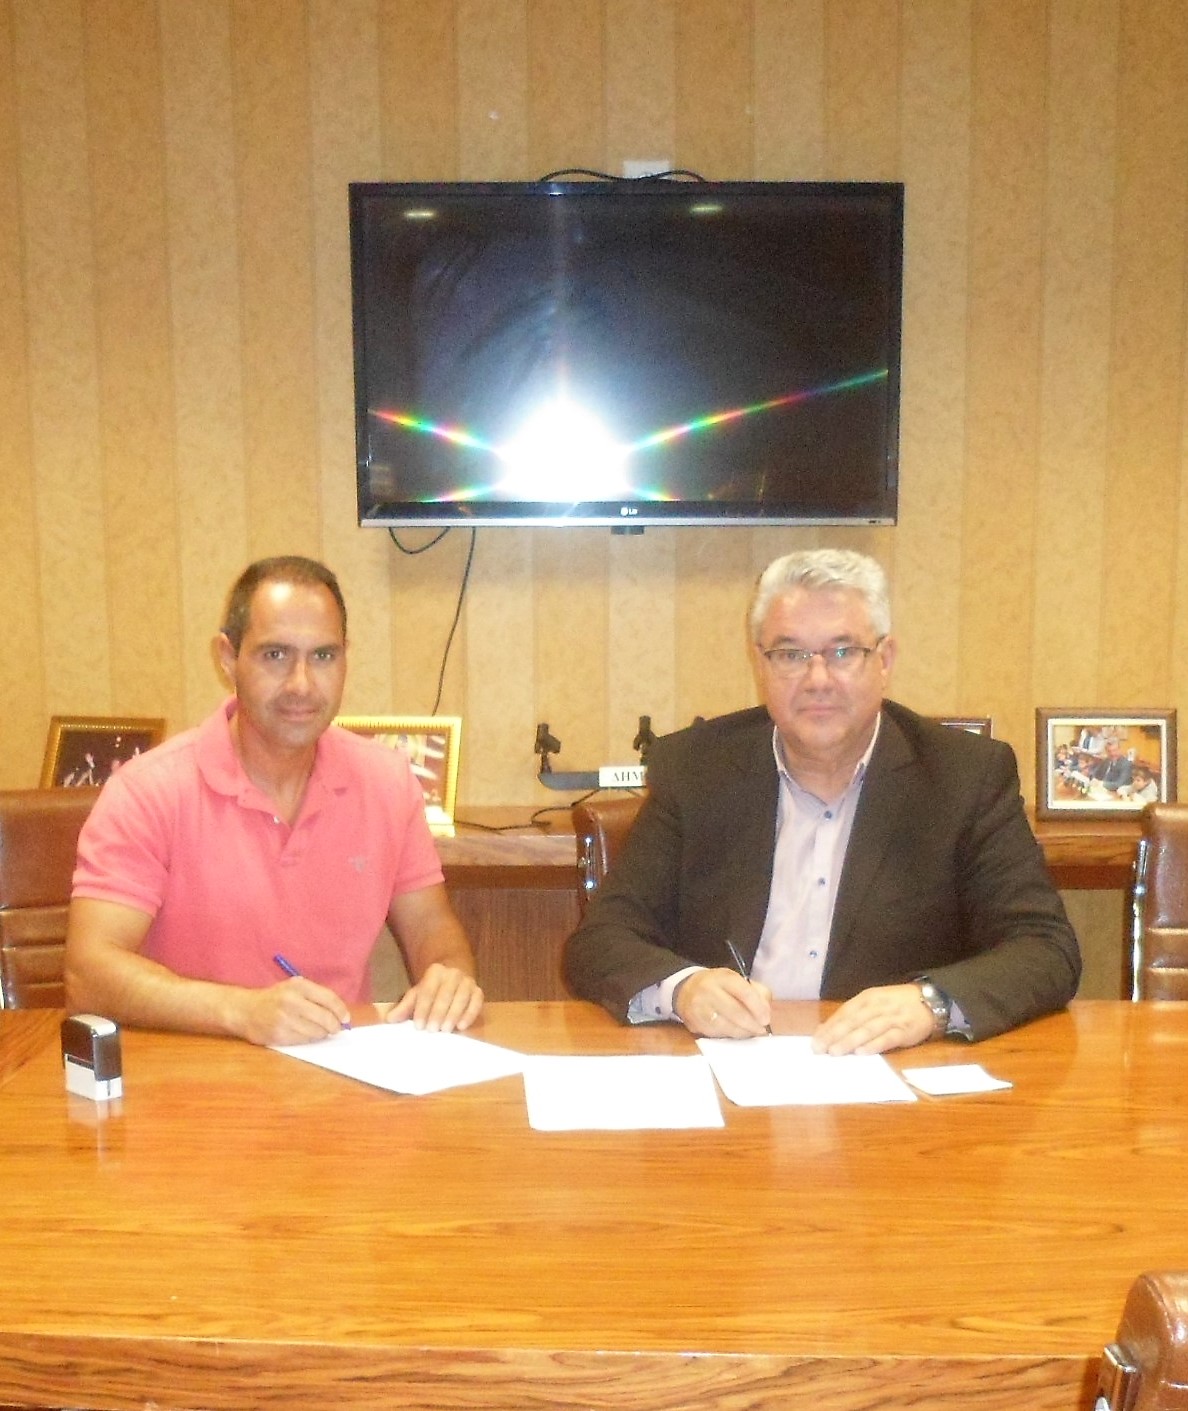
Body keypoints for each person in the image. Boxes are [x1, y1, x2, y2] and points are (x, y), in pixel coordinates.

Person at [563, 548, 1081, 1055]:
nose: (817, 680)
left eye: (842, 652)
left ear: (885, 661)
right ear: (761, 664)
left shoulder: (963, 776)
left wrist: (931, 1003)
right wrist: (683, 989)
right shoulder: (697, 768)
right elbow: (602, 938)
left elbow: (1045, 948)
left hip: (892, 1073)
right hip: (725, 1066)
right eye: (790, 655)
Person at [65, 555, 482, 1046]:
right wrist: (242, 1011)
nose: (301, 684)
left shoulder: (387, 781)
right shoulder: (147, 791)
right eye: (276, 655)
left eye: (323, 656)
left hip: (340, 1067)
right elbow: (88, 974)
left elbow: (431, 927)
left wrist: (449, 977)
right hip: (191, 1073)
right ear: (228, 658)